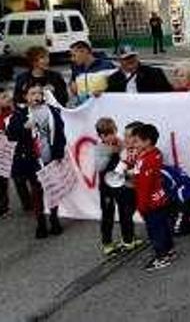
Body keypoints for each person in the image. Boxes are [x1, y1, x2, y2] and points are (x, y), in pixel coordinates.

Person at [6, 82, 66, 238]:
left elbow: (60, 134)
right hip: (32, 161)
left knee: (52, 190)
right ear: (25, 97)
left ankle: (54, 219)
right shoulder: (19, 114)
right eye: (32, 93)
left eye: (39, 93)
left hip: (49, 158)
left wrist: (58, 154)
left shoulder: (52, 111)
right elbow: (11, 135)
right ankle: (41, 223)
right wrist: (24, 128)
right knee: (37, 192)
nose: (36, 96)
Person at [129, 124, 177, 271]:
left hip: (150, 203)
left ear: (147, 141)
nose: (133, 144)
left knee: (155, 230)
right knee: (163, 226)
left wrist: (141, 207)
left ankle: (161, 257)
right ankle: (169, 250)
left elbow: (144, 187)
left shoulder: (146, 162)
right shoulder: (155, 153)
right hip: (160, 198)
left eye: (136, 141)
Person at [94, 117, 140, 254]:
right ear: (101, 136)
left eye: (113, 132)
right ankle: (107, 242)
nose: (112, 136)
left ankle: (128, 238)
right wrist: (110, 152)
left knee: (125, 212)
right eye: (107, 134)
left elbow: (127, 157)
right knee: (108, 214)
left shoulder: (120, 143)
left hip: (121, 185)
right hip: (106, 188)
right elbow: (99, 167)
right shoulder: (99, 148)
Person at [160, 164, 190, 236]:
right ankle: (178, 219)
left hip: (185, 197)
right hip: (179, 197)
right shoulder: (160, 170)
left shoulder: (162, 172)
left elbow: (178, 184)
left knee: (177, 230)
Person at [106, 46, 173, 94]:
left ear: (137, 57)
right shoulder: (113, 79)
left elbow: (168, 94)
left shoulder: (154, 73)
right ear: (119, 61)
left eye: (132, 57)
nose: (130, 60)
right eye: (126, 58)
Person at [69, 40, 116, 106]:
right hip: (84, 107)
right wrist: (72, 87)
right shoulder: (75, 68)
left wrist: (104, 93)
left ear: (84, 51)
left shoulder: (107, 65)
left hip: (104, 106)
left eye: (74, 55)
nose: (72, 59)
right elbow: (73, 85)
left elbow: (118, 86)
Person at [0, 89, 24, 218]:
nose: (8, 98)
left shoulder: (13, 112)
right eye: (4, 97)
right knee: (2, 182)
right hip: (2, 155)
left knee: (18, 177)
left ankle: (26, 202)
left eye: (8, 95)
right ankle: (3, 208)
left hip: (14, 151)